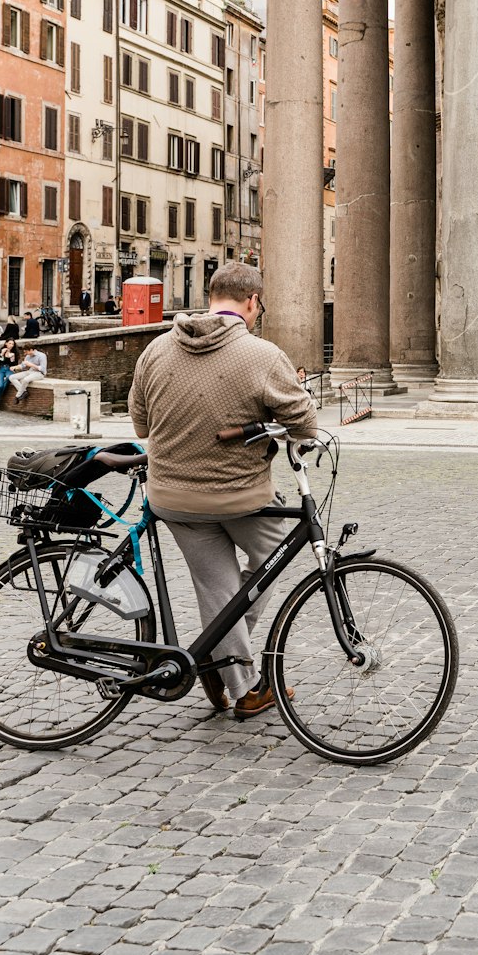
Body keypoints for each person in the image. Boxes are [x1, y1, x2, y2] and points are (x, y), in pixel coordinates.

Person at [129, 261, 317, 717]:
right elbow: (306, 425)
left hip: (172, 498)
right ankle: (227, 664)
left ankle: (231, 669)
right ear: (252, 302)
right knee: (273, 556)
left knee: (218, 587)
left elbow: (140, 423)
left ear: (211, 297)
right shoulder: (262, 355)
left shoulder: (154, 350)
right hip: (241, 497)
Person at [0, 338, 19, 411]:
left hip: (9, 369)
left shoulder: (14, 352)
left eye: (12, 344)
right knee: (0, 385)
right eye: (9, 343)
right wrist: (2, 354)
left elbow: (15, 365)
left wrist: (12, 358)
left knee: (10, 377)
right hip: (1, 369)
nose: (11, 345)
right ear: (6, 343)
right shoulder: (1, 350)